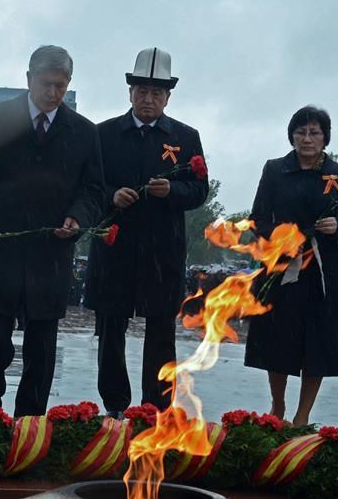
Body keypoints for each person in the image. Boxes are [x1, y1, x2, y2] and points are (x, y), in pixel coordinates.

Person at [0, 45, 104, 416]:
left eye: (61, 85)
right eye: (46, 83)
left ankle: (31, 421)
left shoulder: (84, 132)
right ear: (28, 79)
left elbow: (93, 190)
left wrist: (77, 218)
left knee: (42, 346)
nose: (53, 93)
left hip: (50, 256)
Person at [83, 48, 209, 416]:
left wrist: (173, 192)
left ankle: (154, 409)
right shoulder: (103, 134)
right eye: (142, 91)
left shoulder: (186, 137)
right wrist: (111, 196)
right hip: (115, 250)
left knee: (160, 333)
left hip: (162, 253)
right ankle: (116, 406)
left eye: (156, 93)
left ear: (168, 97)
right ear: (130, 93)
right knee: (110, 330)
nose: (148, 99)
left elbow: (200, 190)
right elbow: (89, 186)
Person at [243, 105, 338, 427]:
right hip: (283, 266)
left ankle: (302, 414)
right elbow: (258, 218)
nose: (307, 139)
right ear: (292, 136)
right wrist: (280, 237)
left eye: (315, 133)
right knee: (277, 338)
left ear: (325, 138)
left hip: (323, 271)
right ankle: (277, 405)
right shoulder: (275, 169)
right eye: (301, 132)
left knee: (318, 342)